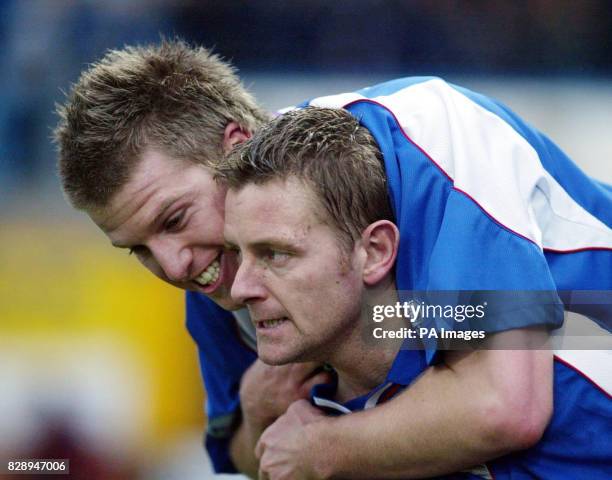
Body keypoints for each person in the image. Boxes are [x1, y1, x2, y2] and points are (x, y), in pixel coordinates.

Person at [54, 39, 612, 478]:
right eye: (138, 250)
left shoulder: (423, 135)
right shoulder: (221, 274)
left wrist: (328, 445)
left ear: (234, 145)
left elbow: (504, 403)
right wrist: (258, 417)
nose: (172, 266)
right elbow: (253, 458)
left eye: (174, 219)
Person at [220, 105, 612, 479]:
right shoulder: (305, 431)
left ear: (375, 252)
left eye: (276, 254)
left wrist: (326, 451)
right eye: (238, 253)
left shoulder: (573, 372)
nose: (240, 288)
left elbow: (506, 410)